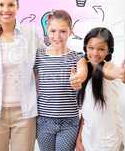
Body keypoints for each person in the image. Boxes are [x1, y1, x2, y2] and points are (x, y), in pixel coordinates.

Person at [0, 0, 41, 151]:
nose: (6, 9)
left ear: (18, 6)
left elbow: (48, 60)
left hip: (25, 112)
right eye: (1, 5)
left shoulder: (31, 34)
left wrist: (81, 65)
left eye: (11, 5)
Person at [34, 9, 88, 151]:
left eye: (63, 31)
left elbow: (83, 71)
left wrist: (78, 78)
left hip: (69, 123)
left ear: (70, 31)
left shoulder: (77, 57)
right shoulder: (39, 56)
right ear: (47, 30)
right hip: (44, 121)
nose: (57, 36)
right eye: (53, 31)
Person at [76, 27, 125, 151]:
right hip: (88, 139)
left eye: (101, 49)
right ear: (85, 47)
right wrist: (79, 138)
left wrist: (123, 75)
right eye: (91, 48)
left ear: (108, 51)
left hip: (109, 141)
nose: (95, 53)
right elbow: (86, 111)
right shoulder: (85, 71)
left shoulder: (108, 67)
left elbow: (112, 72)